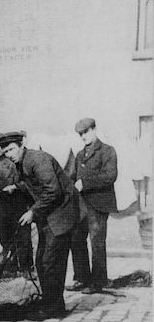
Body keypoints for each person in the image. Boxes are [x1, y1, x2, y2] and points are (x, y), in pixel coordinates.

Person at [0, 131, 78, 318]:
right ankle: (50, 301)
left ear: (22, 144)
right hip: (49, 215)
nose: (10, 155)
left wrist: (32, 212)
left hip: (62, 214)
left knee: (51, 262)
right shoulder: (22, 162)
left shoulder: (38, 159)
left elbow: (52, 191)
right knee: (42, 260)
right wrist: (17, 187)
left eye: (11, 149)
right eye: (6, 152)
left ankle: (55, 307)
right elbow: (35, 183)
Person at [67, 118, 118, 294]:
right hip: (81, 205)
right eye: (80, 134)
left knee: (97, 242)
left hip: (99, 205)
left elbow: (110, 176)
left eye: (86, 132)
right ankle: (82, 278)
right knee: (76, 239)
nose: (83, 137)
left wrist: (85, 183)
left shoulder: (107, 151)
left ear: (95, 129)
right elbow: (73, 177)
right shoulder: (80, 154)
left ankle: (98, 281)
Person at [0, 133, 34, 272]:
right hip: (1, 207)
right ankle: (10, 267)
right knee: (5, 237)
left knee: (23, 237)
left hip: (18, 205)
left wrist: (15, 187)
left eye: (0, 146)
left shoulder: (15, 163)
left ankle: (25, 268)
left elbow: (28, 182)